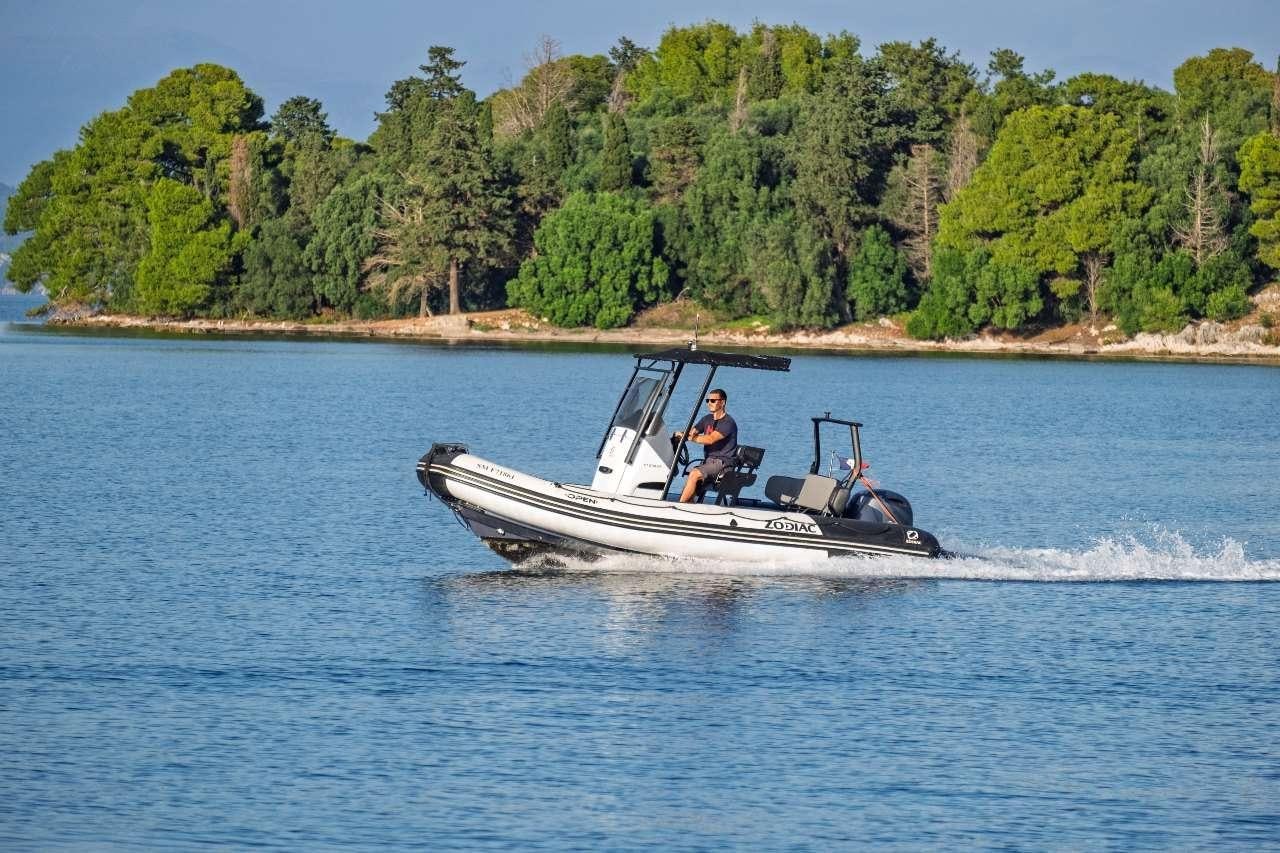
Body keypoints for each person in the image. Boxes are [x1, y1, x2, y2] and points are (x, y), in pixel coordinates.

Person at [675, 388, 738, 503]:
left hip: (722, 463)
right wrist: (680, 435)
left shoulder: (728, 422)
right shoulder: (706, 419)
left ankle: (678, 506)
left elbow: (710, 439)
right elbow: (692, 432)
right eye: (708, 400)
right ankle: (689, 505)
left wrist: (690, 438)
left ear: (722, 402)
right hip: (709, 461)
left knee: (695, 473)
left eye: (713, 400)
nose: (709, 403)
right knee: (692, 477)